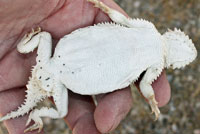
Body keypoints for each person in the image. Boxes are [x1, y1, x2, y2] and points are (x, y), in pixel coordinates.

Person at [0, 0, 171, 133]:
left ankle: (33, 113)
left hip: (61, 65)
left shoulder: (151, 36)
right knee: (61, 112)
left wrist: (24, 45)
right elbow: (145, 85)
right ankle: (36, 115)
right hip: (64, 74)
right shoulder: (154, 56)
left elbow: (43, 36)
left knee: (43, 37)